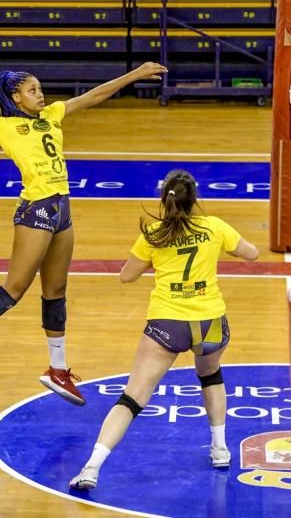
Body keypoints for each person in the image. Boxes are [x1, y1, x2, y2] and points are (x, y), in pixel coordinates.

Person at [0, 50, 167, 405]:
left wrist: (133, 75)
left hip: (62, 208)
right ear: (15, 97)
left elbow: (93, 96)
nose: (40, 94)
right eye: (32, 90)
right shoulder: (5, 126)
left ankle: (57, 369)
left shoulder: (52, 115)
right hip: (35, 210)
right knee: (14, 290)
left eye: (40, 88)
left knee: (56, 291)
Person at [70, 168, 258, 488]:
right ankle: (220, 449)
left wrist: (152, 258)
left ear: (164, 200)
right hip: (210, 322)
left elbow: (126, 276)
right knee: (210, 376)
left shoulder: (154, 234)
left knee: (132, 398)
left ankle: (91, 467)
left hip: (167, 323)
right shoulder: (214, 227)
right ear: (195, 200)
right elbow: (252, 254)